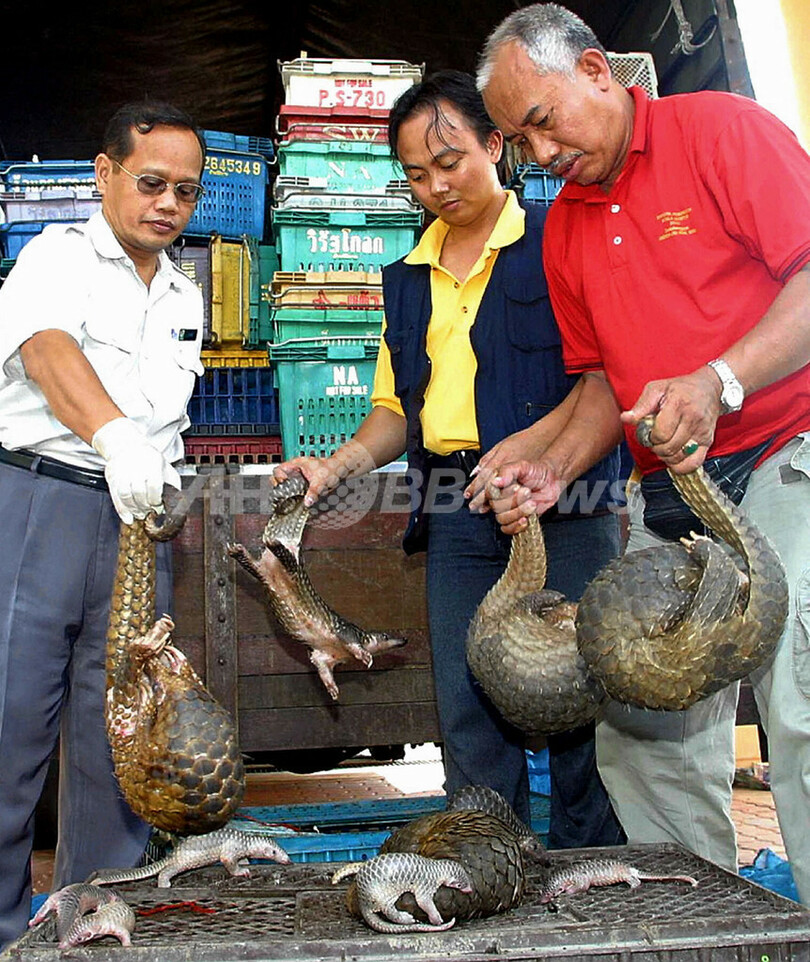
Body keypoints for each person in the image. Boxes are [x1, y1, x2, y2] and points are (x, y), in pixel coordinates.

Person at [476, 2, 810, 903]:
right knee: (641, 727)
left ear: (594, 70)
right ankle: (708, 927)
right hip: (670, 493)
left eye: (542, 122)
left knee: (801, 705)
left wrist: (719, 380)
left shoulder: (724, 132)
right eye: (520, 142)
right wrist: (550, 468)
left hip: (788, 451)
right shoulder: (565, 226)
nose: (540, 153)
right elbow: (600, 384)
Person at [273, 70, 625, 848]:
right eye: (416, 174)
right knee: (469, 707)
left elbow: (607, 375)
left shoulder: (559, 238)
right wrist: (332, 467)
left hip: (566, 502)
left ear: (495, 145)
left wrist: (546, 459)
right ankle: (488, 860)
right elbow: (396, 411)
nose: (436, 185)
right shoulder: (406, 277)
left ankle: (594, 871)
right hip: (459, 508)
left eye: (449, 161)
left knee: (580, 703)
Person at [0, 101, 206, 947]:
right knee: (9, 727)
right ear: (104, 172)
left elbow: (170, 420)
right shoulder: (57, 257)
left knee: (123, 738)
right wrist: (115, 437)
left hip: (136, 528)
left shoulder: (186, 293)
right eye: (151, 183)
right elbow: (46, 349)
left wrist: (156, 470)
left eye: (186, 191)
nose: (167, 204)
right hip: (39, 506)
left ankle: (92, 919)